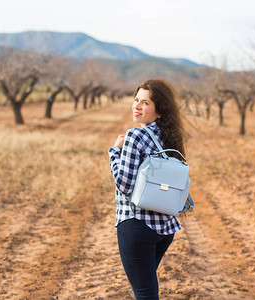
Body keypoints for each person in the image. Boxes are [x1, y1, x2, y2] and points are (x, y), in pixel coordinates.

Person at [108, 78, 187, 299]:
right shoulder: (170, 136)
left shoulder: (136, 135)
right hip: (164, 228)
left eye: (145, 103)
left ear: (159, 110)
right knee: (146, 288)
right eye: (136, 100)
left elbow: (124, 185)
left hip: (136, 225)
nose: (137, 106)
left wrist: (115, 152)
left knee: (145, 294)